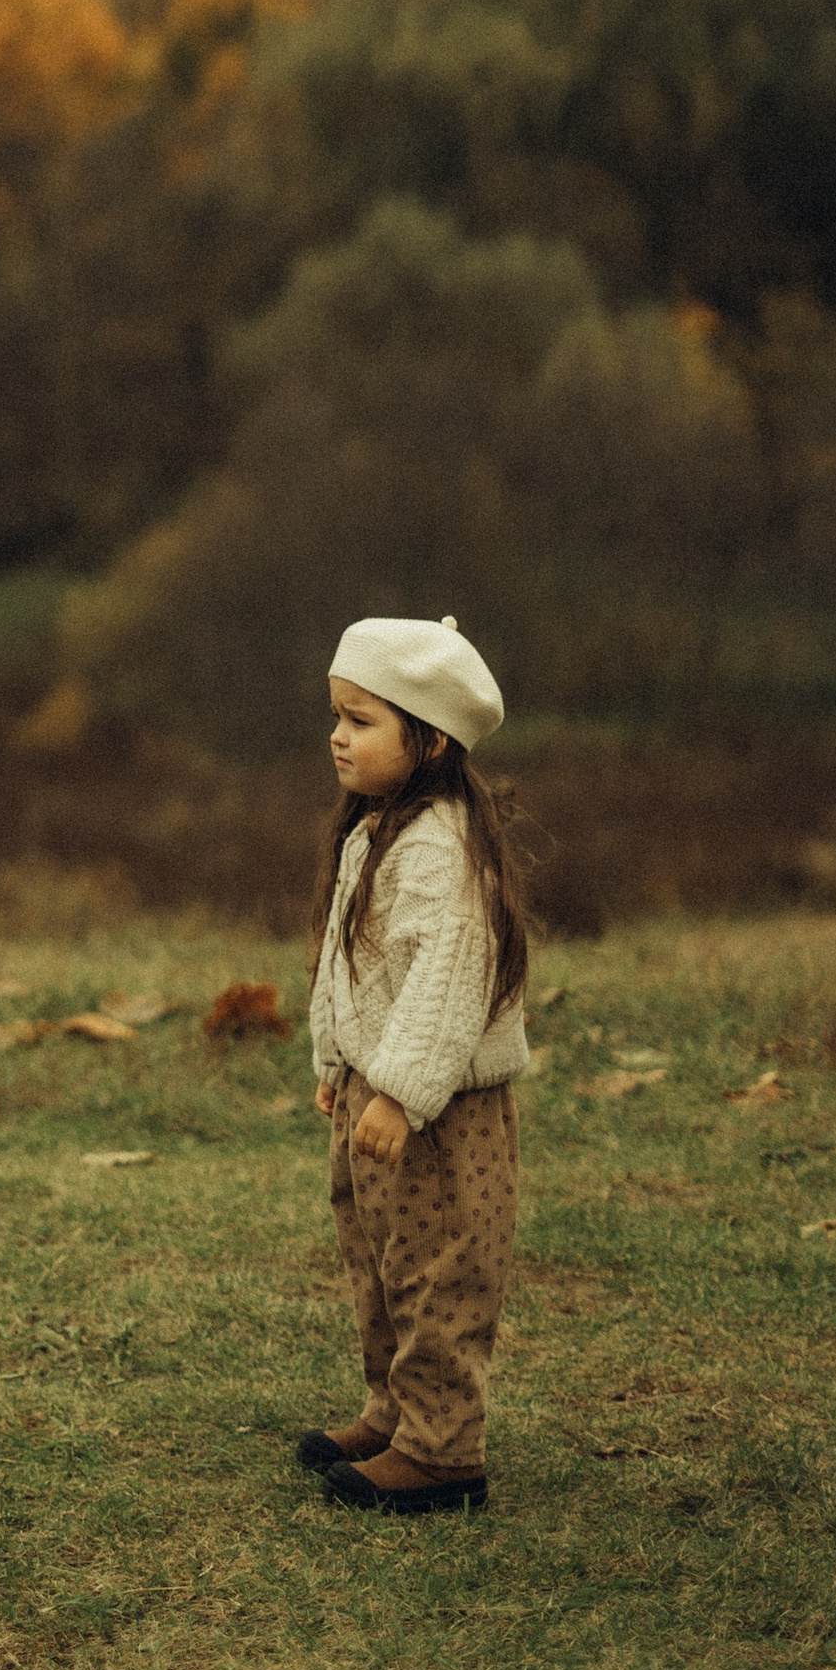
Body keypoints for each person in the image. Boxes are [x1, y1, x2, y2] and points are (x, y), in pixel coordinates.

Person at [302, 615, 532, 1517]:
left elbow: (447, 979)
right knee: (380, 1259)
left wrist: (397, 1091)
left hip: (439, 1109)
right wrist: (336, 1058)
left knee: (440, 1268)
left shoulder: (439, 845)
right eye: (336, 716)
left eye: (361, 721)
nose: (337, 736)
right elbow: (346, 958)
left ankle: (443, 1452)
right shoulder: (377, 829)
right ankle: (395, 1413)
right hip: (378, 1092)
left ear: (430, 739)